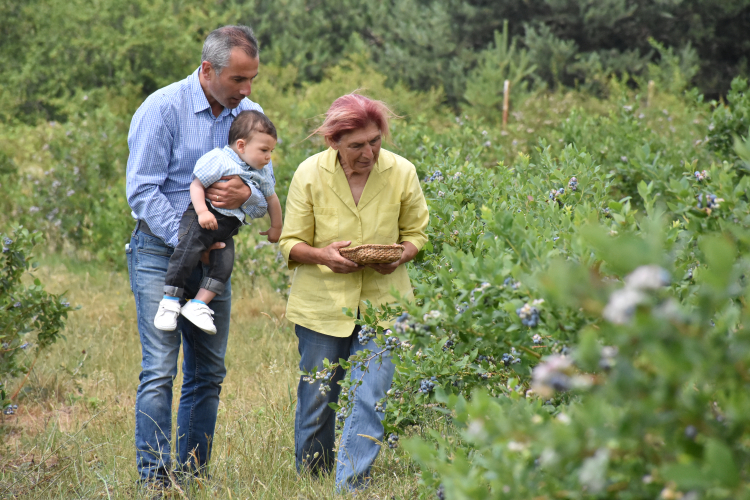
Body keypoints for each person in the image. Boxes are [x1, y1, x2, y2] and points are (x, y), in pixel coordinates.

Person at [125, 25, 271, 487]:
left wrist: (246, 191)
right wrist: (192, 242)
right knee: (160, 370)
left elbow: (264, 193)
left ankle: (191, 477)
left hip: (214, 260)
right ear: (208, 70)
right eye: (238, 80)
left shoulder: (250, 115)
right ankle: (154, 480)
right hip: (157, 251)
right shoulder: (162, 107)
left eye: (252, 80)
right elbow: (143, 190)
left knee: (208, 372)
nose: (247, 92)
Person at [278, 93, 429, 491]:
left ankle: (349, 485)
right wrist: (322, 255)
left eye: (375, 141)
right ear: (334, 142)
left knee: (370, 397)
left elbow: (417, 234)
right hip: (321, 305)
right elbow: (290, 242)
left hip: (384, 305)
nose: (369, 152)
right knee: (317, 400)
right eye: (357, 145)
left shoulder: (402, 171)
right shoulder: (309, 174)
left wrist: (401, 254)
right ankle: (312, 477)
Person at [154, 110, 282, 335]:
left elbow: (271, 199)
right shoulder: (219, 159)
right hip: (202, 219)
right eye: (264, 150)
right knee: (187, 251)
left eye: (271, 151)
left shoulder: (259, 174)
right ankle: (170, 301)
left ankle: (198, 305)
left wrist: (276, 227)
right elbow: (196, 185)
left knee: (224, 266)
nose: (268, 157)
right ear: (241, 145)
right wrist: (203, 211)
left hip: (226, 230)